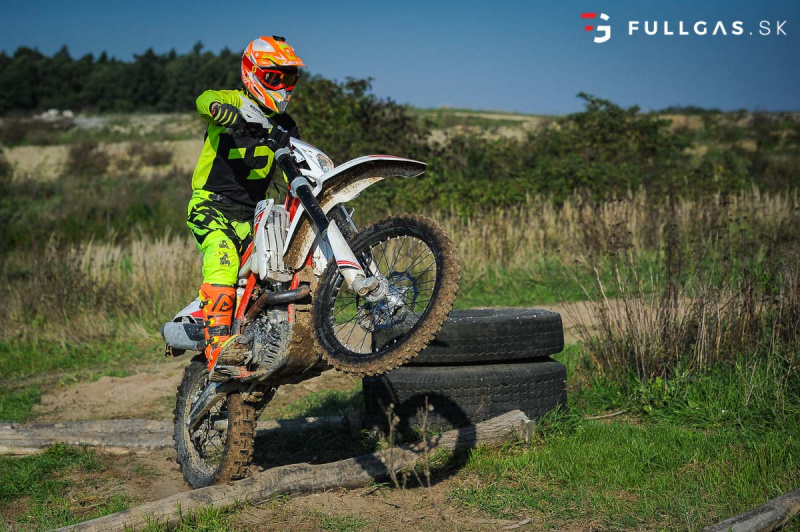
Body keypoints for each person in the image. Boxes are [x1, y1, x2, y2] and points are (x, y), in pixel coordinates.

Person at [188, 36, 304, 367]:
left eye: (289, 78)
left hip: (253, 215)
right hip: (211, 205)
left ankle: (266, 335)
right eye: (274, 77)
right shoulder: (233, 101)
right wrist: (218, 110)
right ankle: (217, 344)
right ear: (251, 73)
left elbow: (296, 165)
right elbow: (204, 99)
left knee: (280, 268)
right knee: (222, 254)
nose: (283, 86)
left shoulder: (286, 126)